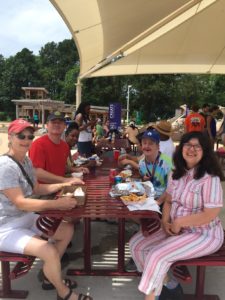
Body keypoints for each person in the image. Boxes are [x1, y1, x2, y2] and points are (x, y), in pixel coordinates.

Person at [0, 119, 93, 300]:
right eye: (21, 136)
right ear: (10, 137)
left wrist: (65, 182)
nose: (26, 140)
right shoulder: (5, 166)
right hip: (6, 227)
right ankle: (63, 292)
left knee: (67, 229)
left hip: (24, 218)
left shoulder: (24, 160)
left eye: (30, 136)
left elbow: (36, 189)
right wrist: (57, 204)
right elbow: (20, 202)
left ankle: (50, 276)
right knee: (48, 250)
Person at [129, 131, 224, 300]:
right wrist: (165, 221)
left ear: (205, 151)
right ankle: (169, 283)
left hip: (204, 234)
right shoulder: (177, 173)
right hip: (176, 228)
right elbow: (169, 200)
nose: (191, 149)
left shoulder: (210, 178)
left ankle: (151, 296)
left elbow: (211, 213)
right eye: (188, 145)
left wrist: (180, 221)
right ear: (181, 148)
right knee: (136, 245)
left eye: (197, 146)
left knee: (157, 255)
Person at [29, 111, 83, 184]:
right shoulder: (38, 145)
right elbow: (36, 172)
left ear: (64, 126)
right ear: (47, 125)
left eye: (60, 122)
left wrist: (76, 169)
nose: (57, 124)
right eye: (53, 122)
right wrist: (65, 180)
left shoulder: (65, 146)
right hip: (43, 191)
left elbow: (61, 167)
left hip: (60, 187)